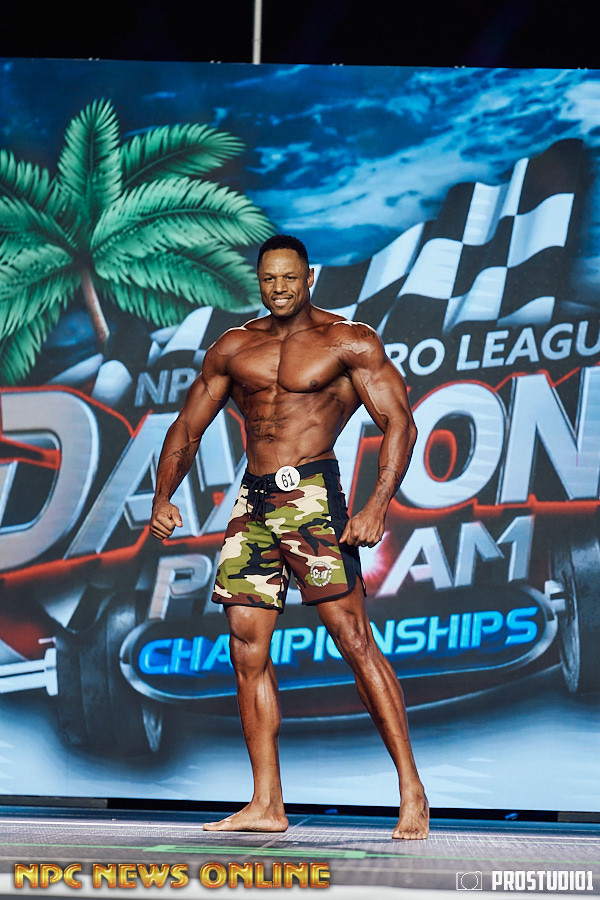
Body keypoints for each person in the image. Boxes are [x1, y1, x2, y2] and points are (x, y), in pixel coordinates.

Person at [150, 234, 428, 840]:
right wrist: (163, 495)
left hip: (313, 497)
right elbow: (188, 427)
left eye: (289, 278)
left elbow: (399, 423)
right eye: (269, 279)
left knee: (353, 639)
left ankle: (412, 790)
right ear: (260, 281)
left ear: (309, 278)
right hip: (253, 502)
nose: (279, 288)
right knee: (245, 650)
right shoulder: (233, 347)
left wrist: (377, 505)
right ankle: (266, 803)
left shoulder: (348, 342)